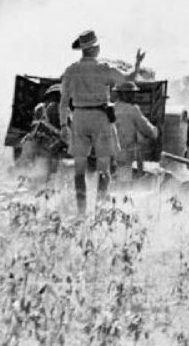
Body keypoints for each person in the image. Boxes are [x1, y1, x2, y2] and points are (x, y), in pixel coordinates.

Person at [59, 29, 143, 214]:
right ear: (95, 49)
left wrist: (64, 125)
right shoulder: (103, 69)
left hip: (79, 117)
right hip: (100, 117)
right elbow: (128, 79)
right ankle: (99, 211)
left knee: (79, 170)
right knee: (103, 167)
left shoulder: (71, 70)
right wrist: (137, 65)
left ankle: (81, 213)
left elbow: (64, 101)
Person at [112, 80, 159, 178]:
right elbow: (148, 129)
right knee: (123, 183)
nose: (133, 96)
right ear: (124, 94)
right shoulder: (132, 110)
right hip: (124, 155)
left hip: (108, 154)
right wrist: (156, 132)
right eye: (131, 94)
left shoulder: (111, 108)